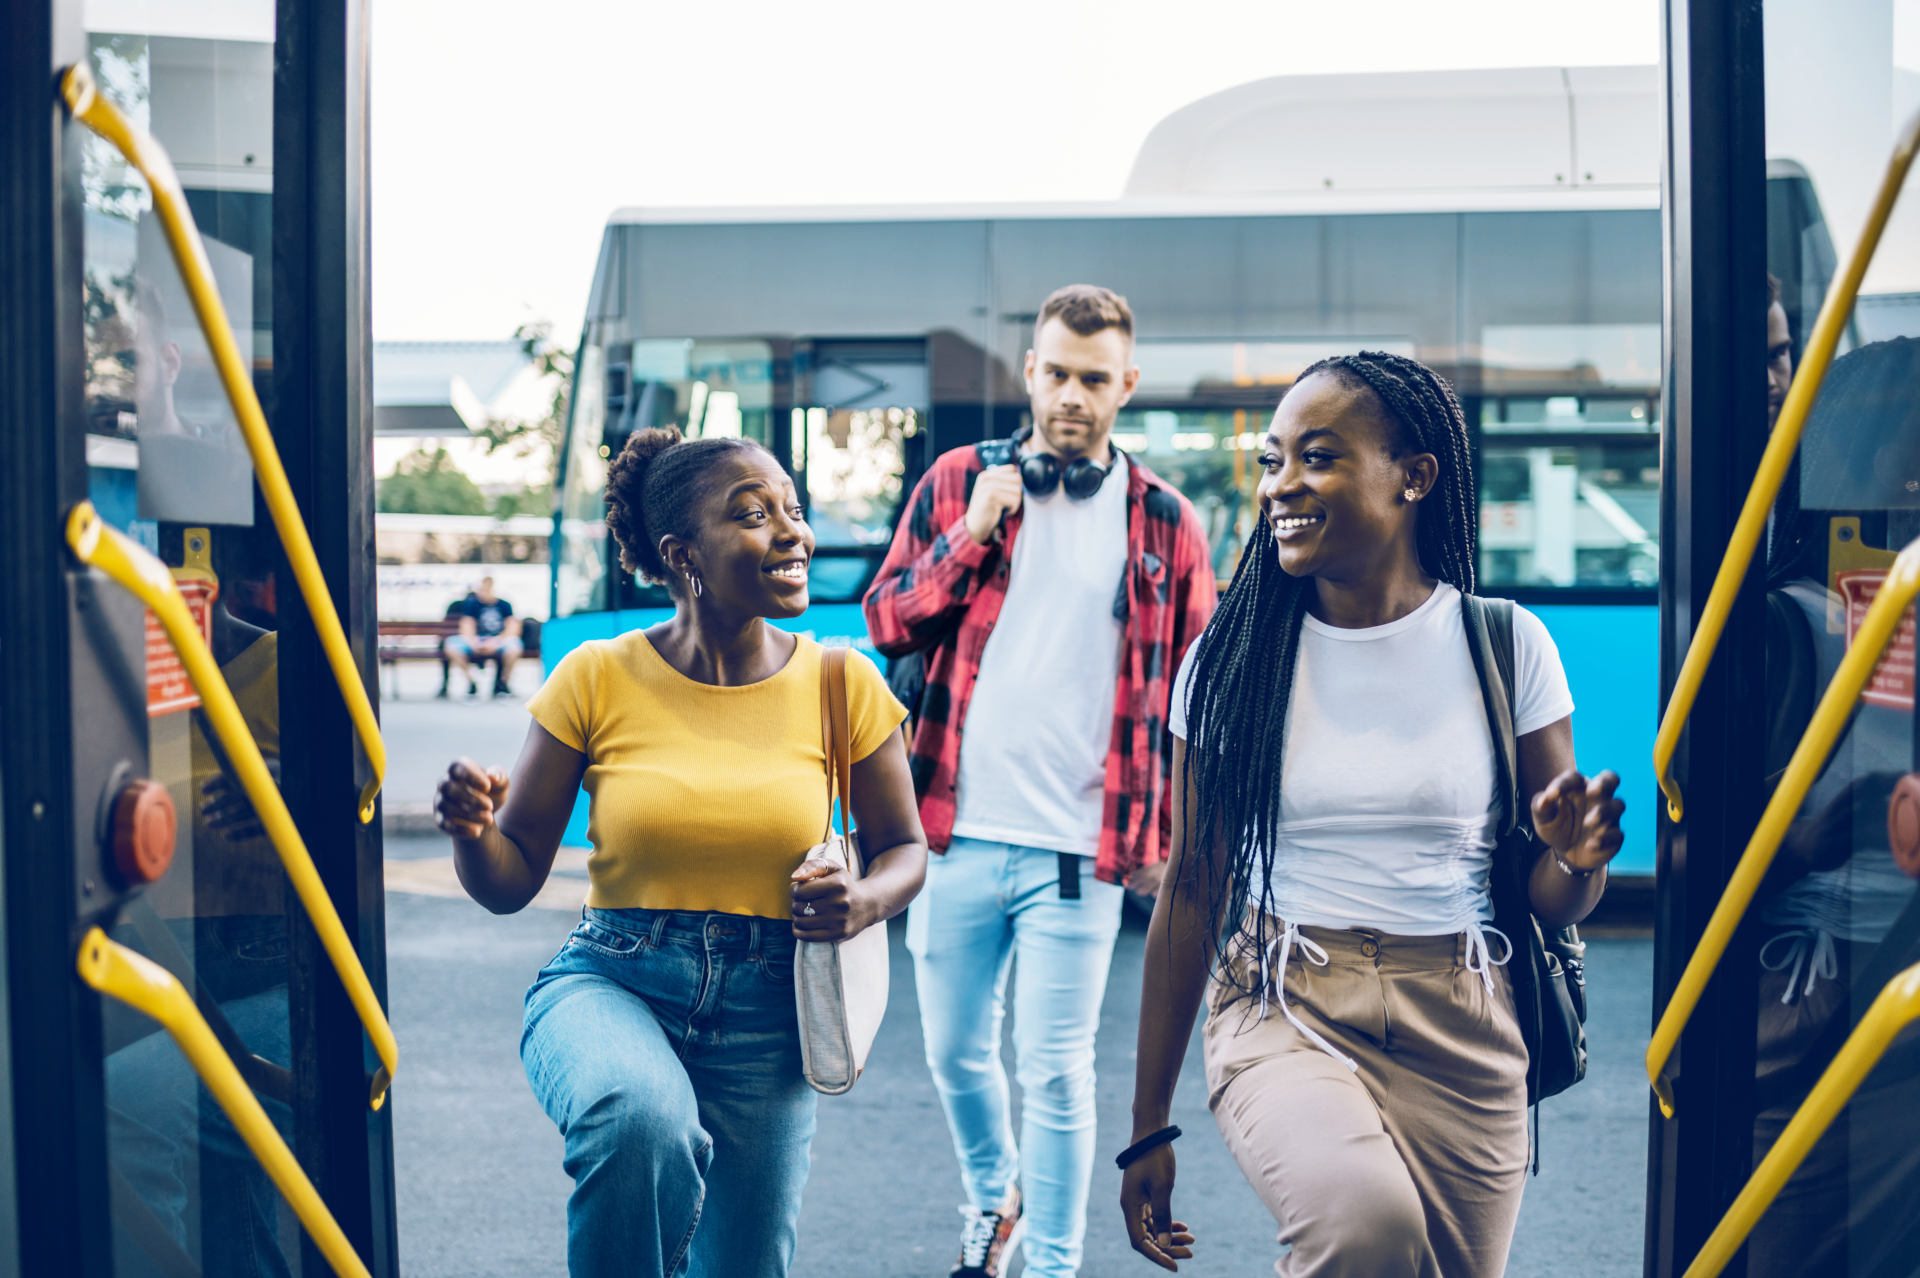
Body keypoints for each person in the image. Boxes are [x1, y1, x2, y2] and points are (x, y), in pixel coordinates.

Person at [1120, 351, 1626, 1278]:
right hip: (1285, 998)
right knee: (1364, 1232)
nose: (1282, 486)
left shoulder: (1507, 645)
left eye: (1317, 457)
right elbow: (1191, 891)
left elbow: (1555, 900)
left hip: (1465, 1019)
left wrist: (1577, 858)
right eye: (1273, 460)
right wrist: (1147, 1124)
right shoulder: (1230, 666)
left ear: (1415, 478)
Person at [434, 427, 928, 1278]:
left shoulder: (844, 682)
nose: (791, 532)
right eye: (753, 514)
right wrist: (473, 833)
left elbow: (906, 851)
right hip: (615, 980)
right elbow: (509, 879)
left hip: (771, 1022)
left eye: (793, 511)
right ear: (682, 554)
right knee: (637, 1119)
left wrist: (867, 901)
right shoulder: (595, 676)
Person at [863, 284, 1217, 1278]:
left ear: (1127, 388)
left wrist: (1170, 842)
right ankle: (993, 1199)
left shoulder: (1166, 524)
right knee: (953, 1054)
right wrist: (970, 533)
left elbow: (1200, 699)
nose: (1072, 394)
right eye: (1057, 372)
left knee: (1056, 1072)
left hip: (1080, 850)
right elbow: (886, 621)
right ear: (1030, 373)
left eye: (1094, 379)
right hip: (953, 833)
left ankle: (1054, 1265)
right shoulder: (957, 482)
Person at [443, 576, 522, 697]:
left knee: (515, 647)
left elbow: (512, 627)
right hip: (476, 639)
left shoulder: (504, 605)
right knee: (451, 646)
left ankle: (503, 684)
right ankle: (471, 682)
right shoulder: (472, 604)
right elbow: (466, 626)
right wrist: (474, 642)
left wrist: (497, 641)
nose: (485, 590)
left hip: (499, 640)